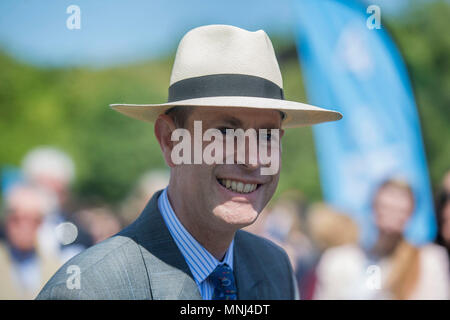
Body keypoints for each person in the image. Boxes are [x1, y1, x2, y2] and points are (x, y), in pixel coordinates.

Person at [37, 24, 341, 300]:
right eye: (225, 132)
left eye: (266, 135)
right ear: (170, 141)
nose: (251, 159)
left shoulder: (273, 267)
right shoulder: (90, 289)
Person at [314, 178, 449, 300]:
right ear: (374, 208)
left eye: (399, 210)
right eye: (386, 207)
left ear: (410, 213)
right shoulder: (339, 260)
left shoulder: (427, 260)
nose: (392, 215)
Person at [0, 183, 60, 299]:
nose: (24, 227)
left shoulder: (55, 268)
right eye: (16, 218)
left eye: (34, 220)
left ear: (42, 223)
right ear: (6, 219)